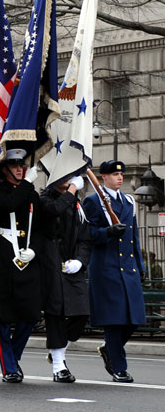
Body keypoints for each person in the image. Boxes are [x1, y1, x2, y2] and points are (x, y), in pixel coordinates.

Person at [83, 160, 146, 383]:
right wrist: (107, 232)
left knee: (134, 319)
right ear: (104, 178)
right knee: (114, 320)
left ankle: (110, 349)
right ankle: (119, 367)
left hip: (128, 268)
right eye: (114, 174)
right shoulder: (93, 201)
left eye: (121, 174)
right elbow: (87, 234)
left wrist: (140, 265)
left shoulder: (129, 200)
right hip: (106, 267)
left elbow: (133, 236)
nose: (119, 177)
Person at [0, 148, 42, 383]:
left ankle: (13, 357)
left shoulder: (31, 193)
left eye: (23, 165)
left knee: (30, 314)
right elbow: (9, 205)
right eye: (15, 165)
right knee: (4, 316)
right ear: (4, 168)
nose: (20, 169)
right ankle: (9, 366)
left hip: (26, 257)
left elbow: (41, 226)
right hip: (4, 257)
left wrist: (34, 249)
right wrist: (28, 184)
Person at [39, 176, 91, 383]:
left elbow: (85, 237)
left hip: (71, 266)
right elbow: (54, 211)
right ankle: (59, 365)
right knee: (56, 314)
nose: (71, 180)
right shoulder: (45, 199)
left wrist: (80, 261)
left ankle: (57, 350)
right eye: (66, 176)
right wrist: (71, 190)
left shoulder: (77, 204)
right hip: (50, 264)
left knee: (81, 313)